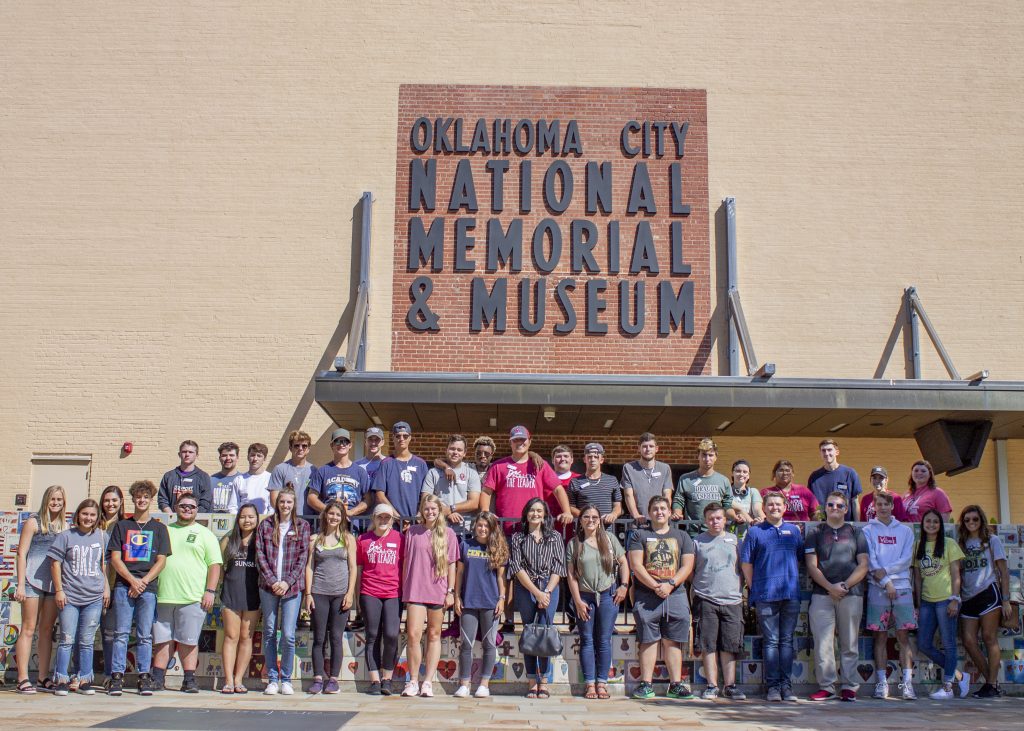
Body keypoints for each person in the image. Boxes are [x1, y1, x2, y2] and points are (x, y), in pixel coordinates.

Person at [481, 426, 572, 631]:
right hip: (506, 529)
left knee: (533, 572)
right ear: (510, 442)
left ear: (529, 442)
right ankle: (508, 619)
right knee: (506, 574)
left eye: (523, 440)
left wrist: (566, 510)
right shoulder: (499, 466)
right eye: (516, 440)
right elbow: (486, 492)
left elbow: (558, 488)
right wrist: (487, 513)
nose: (519, 443)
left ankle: (539, 616)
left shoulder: (539, 465)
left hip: (533, 530)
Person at [151, 492, 223, 693]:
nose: (187, 509)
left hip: (192, 597)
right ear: (176, 507)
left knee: (189, 641)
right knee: (162, 640)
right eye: (183, 506)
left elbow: (215, 565)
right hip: (163, 595)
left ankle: (189, 679)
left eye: (191, 506)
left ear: (197, 510)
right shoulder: (164, 530)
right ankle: (158, 678)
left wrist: (210, 591)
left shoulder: (205, 534)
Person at [628, 495, 695, 701]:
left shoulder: (682, 536)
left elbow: (687, 565)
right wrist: (656, 585)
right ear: (649, 513)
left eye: (663, 508)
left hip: (675, 594)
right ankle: (645, 684)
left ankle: (675, 684)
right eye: (655, 508)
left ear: (669, 512)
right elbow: (636, 565)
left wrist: (671, 584)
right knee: (648, 640)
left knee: (672, 640)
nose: (659, 512)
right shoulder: (639, 535)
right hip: (647, 594)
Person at [107, 480, 170, 697]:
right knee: (121, 633)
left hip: (148, 588)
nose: (142, 500)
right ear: (133, 499)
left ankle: (144, 676)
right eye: (138, 497)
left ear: (151, 500)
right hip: (124, 587)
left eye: (146, 497)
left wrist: (143, 582)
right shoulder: (122, 526)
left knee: (145, 635)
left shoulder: (159, 528)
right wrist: (132, 581)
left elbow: (161, 561)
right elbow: (115, 558)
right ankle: (117, 676)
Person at [804, 490, 868, 702]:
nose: (835, 509)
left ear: (846, 509)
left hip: (851, 594)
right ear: (825, 508)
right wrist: (830, 587)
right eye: (831, 505)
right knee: (823, 643)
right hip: (822, 594)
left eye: (839, 506)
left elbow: (864, 565)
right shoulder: (815, 532)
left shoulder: (856, 532)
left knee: (849, 643)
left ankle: (850, 686)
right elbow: (812, 567)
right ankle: (827, 687)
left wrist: (845, 585)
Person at [741, 492, 803, 702]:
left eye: (778, 504)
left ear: (785, 507)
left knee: (786, 642)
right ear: (764, 509)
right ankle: (773, 687)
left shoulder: (794, 531)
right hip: (765, 594)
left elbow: (801, 558)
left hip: (790, 594)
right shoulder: (755, 532)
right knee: (771, 642)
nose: (774, 507)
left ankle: (787, 687)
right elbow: (746, 563)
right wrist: (753, 587)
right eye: (770, 505)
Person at [48, 498, 110, 696]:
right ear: (77, 515)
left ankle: (84, 680)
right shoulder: (66, 536)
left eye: (92, 515)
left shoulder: (102, 536)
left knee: (86, 640)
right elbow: (55, 564)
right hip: (70, 597)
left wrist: (106, 588)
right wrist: (59, 590)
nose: (88, 518)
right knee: (66, 639)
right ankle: (61, 679)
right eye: (85, 514)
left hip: (94, 597)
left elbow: (104, 566)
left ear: (97, 517)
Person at [567, 504, 629, 700]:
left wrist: (624, 585)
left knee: (604, 640)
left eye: (595, 517)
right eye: (587, 517)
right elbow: (571, 575)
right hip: (585, 597)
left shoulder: (609, 540)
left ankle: (602, 682)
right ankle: (590, 684)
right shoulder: (575, 543)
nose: (591, 520)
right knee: (587, 640)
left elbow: (624, 562)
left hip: (608, 595)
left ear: (600, 520)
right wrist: (577, 600)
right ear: (581, 520)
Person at [401, 493, 459, 698]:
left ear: (440, 510)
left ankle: (428, 682)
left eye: (434, 508)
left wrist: (451, 591)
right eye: (426, 509)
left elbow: (452, 564)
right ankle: (413, 680)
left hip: (438, 590)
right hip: (415, 590)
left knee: (434, 635)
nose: (430, 512)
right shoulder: (412, 532)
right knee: (414, 635)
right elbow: (406, 561)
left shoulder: (449, 534)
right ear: (422, 510)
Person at [508, 497, 566, 699]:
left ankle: (544, 681)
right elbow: (517, 567)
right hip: (527, 589)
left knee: (545, 632)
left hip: (550, 589)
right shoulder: (518, 538)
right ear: (526, 513)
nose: (536, 514)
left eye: (540, 511)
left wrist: (547, 592)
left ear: (545, 515)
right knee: (530, 633)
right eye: (532, 510)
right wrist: (537, 592)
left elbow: (558, 567)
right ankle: (532, 680)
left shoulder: (555, 537)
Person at [255, 487, 310, 695]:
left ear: (294, 504)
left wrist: (286, 582)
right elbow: (259, 554)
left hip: (291, 587)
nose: (285, 505)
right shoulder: (266, 525)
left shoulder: (303, 526)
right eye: (282, 502)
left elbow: (302, 558)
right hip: (268, 587)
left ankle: (286, 678)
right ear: (277, 503)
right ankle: (272, 678)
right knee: (269, 632)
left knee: (288, 634)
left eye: (289, 502)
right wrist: (272, 581)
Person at [862, 491, 917, 700]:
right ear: (874, 506)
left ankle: (907, 684)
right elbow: (872, 561)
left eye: (886, 504)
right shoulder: (868, 530)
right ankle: (881, 683)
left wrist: (888, 576)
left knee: (903, 637)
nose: (883, 507)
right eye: (879, 504)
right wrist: (885, 583)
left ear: (892, 506)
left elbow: (905, 560)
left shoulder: (905, 531)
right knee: (880, 637)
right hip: (878, 588)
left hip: (902, 587)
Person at [14, 484, 67, 694]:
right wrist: (19, 584)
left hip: (53, 585)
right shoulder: (33, 522)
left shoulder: (65, 526)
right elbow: (21, 553)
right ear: (46, 500)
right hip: (30, 581)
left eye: (59, 500)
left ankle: (43, 677)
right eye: (52, 499)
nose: (56, 503)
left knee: (46, 631)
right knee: (28, 628)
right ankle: (22, 678)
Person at [957, 504, 1012, 698]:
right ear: (963, 523)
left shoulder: (992, 540)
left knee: (989, 638)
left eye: (975, 519)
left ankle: (990, 684)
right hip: (967, 596)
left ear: (981, 520)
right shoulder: (961, 543)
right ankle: (992, 682)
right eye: (967, 519)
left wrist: (1005, 600)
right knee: (969, 640)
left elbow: (1004, 572)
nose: (971, 522)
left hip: (989, 593)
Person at [691, 502, 745, 700]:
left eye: (719, 518)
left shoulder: (735, 541)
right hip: (706, 598)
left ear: (725, 520)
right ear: (706, 521)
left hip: (732, 599)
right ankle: (712, 685)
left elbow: (743, 568)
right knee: (708, 644)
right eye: (711, 518)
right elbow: (691, 570)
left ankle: (730, 685)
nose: (715, 522)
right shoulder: (697, 542)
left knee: (730, 644)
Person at [914, 509, 969, 700]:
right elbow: (918, 578)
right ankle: (960, 676)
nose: (931, 524)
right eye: (928, 521)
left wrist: (955, 599)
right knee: (923, 644)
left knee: (949, 644)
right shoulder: (918, 545)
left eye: (935, 522)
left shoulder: (949, 544)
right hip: (927, 602)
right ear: (923, 524)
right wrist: (919, 604)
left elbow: (956, 574)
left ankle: (947, 687)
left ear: (940, 524)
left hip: (946, 600)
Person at [453, 511, 508, 699]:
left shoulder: (498, 547)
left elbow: (501, 577)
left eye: (486, 526)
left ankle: (484, 683)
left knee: (489, 644)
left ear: (492, 528)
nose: (483, 529)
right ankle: (464, 684)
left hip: (490, 603)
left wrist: (502, 598)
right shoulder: (465, 545)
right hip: (468, 601)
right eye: (480, 525)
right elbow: (459, 573)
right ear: (475, 526)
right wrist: (456, 597)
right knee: (466, 644)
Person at [304, 500, 357, 695]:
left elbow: (352, 568)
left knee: (336, 637)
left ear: (342, 517)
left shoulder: (348, 538)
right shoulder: (315, 539)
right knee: (319, 638)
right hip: (319, 592)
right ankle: (318, 678)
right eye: (331, 513)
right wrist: (308, 594)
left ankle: (333, 679)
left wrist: (350, 593)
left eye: (338, 514)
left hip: (340, 594)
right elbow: (309, 567)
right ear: (325, 515)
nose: (334, 517)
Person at [358, 503, 404, 696]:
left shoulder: (400, 539)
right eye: (380, 517)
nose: (383, 521)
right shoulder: (363, 540)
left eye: (387, 518)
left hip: (393, 592)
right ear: (373, 519)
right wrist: (355, 596)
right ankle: (375, 680)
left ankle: (388, 677)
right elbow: (359, 569)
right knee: (373, 635)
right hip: (370, 592)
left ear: (392, 521)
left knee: (392, 634)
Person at [218, 503, 261, 694]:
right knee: (231, 636)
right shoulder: (228, 540)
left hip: (253, 593)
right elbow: (220, 568)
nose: (247, 520)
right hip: (231, 592)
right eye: (243, 516)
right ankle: (227, 681)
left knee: (246, 636)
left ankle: (239, 679)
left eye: (251, 517)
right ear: (238, 519)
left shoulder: (261, 540)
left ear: (257, 519)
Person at [671, 437, 733, 534]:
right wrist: (677, 513)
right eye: (703, 455)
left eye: (711, 455)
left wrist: (735, 517)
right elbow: (679, 500)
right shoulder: (686, 479)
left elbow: (727, 505)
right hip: (693, 533)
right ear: (698, 456)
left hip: (716, 532)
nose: (707, 459)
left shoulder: (724, 481)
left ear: (716, 457)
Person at [422, 434, 482, 531]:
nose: (455, 452)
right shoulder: (433, 473)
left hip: (463, 532)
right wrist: (446, 512)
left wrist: (451, 509)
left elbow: (474, 503)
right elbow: (426, 498)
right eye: (452, 449)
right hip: (437, 528)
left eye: (459, 450)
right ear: (446, 450)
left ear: (464, 453)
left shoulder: (471, 473)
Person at [308, 428, 371, 519]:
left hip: (351, 524)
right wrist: (330, 511)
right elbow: (311, 498)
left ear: (350, 445)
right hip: (328, 523)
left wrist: (351, 512)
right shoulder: (323, 471)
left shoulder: (360, 472)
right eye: (337, 441)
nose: (341, 444)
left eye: (345, 441)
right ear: (332, 445)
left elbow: (368, 499)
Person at [372, 421, 430, 519]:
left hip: (416, 521)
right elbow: (379, 495)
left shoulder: (421, 464)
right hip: (392, 522)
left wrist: (419, 515)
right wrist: (397, 517)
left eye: (405, 436)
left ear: (410, 438)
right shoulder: (386, 463)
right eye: (398, 436)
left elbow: (427, 493)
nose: (401, 439)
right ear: (393, 438)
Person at [97, 484, 125, 686]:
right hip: (89, 585)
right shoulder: (92, 523)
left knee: (110, 633)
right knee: (85, 633)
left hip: (116, 585)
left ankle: (109, 674)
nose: (110, 504)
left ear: (121, 502)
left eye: (114, 500)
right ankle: (81, 674)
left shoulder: (125, 525)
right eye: (107, 500)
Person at [621, 433, 674, 528]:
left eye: (651, 446)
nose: (648, 449)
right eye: (644, 446)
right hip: (638, 523)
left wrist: (664, 515)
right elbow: (628, 495)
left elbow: (667, 495)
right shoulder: (628, 468)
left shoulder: (665, 468)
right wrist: (636, 515)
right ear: (639, 448)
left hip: (659, 522)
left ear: (656, 449)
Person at [567, 443, 623, 527]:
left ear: (601, 460)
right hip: (584, 529)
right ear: (584, 459)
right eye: (589, 457)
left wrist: (613, 514)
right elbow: (571, 507)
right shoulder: (575, 482)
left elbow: (618, 506)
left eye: (596, 457)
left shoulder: (612, 480)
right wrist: (588, 517)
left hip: (606, 529)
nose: (592, 459)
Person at [806, 439, 862, 522]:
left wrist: (857, 526)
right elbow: (816, 506)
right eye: (823, 451)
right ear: (820, 453)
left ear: (837, 452)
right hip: (824, 527)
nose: (826, 453)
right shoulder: (814, 477)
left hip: (846, 526)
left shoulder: (849, 473)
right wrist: (820, 523)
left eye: (829, 450)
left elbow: (854, 502)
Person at [269, 430, 316, 517]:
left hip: (309, 520)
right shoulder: (280, 469)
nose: (300, 448)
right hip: (285, 519)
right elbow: (274, 500)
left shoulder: (314, 471)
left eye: (304, 446)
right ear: (290, 448)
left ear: (308, 449)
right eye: (296, 445)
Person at [158, 440, 212, 513]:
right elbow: (162, 499)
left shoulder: (203, 477)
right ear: (179, 454)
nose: (187, 454)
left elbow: (205, 502)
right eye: (184, 451)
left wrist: (191, 517)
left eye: (190, 452)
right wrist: (171, 515)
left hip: (195, 520)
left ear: (197, 455)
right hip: (173, 520)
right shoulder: (169, 476)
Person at [231, 443, 273, 514]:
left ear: (264, 458)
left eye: (259, 456)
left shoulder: (271, 478)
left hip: (265, 522)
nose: (255, 459)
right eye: (252, 455)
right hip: (244, 522)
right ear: (248, 457)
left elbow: (272, 507)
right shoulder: (239, 480)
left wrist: (268, 522)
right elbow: (233, 506)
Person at [726, 459, 762, 535]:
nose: (741, 474)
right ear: (732, 473)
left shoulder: (753, 492)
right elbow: (737, 509)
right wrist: (752, 522)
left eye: (745, 472)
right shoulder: (726, 491)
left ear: (748, 476)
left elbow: (757, 510)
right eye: (738, 471)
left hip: (748, 535)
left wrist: (762, 520)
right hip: (728, 534)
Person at [211, 442, 244, 513]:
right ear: (220, 458)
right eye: (224, 455)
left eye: (231, 455)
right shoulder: (210, 480)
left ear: (237, 457)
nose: (228, 458)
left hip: (236, 522)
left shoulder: (243, 480)